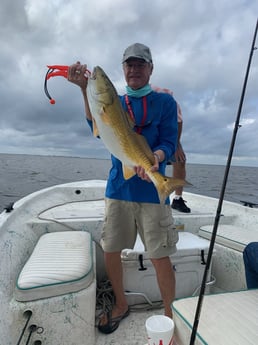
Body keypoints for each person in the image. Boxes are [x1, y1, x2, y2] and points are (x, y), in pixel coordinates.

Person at [68, 43, 179, 334]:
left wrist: (155, 159)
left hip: (153, 190)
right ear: (123, 70)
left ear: (150, 68)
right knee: (111, 249)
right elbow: (96, 125)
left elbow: (168, 142)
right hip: (118, 188)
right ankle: (121, 303)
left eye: (140, 64)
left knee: (159, 255)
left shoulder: (165, 102)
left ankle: (170, 315)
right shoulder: (114, 102)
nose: (134, 70)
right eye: (129, 65)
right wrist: (83, 88)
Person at [152, 86, 190, 213]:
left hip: (167, 137)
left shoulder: (171, 104)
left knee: (180, 160)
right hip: (149, 136)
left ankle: (177, 198)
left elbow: (179, 121)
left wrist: (177, 145)